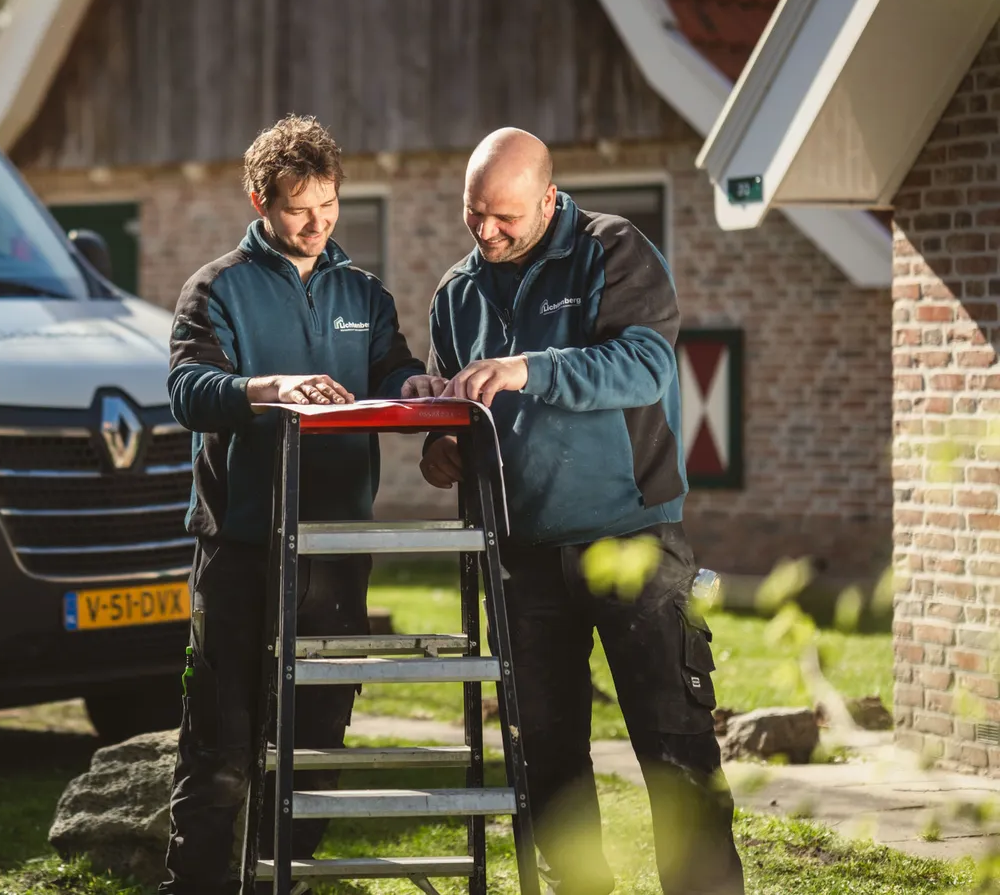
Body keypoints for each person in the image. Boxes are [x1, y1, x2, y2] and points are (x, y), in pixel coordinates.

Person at [410, 127, 743, 895]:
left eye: (506, 217)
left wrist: (529, 367)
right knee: (547, 759)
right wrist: (441, 450)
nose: (487, 232)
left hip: (634, 540)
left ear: (548, 199)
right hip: (523, 558)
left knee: (675, 749)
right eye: (474, 214)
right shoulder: (457, 294)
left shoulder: (613, 250)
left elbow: (646, 364)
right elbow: (454, 412)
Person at [162, 114, 425, 895]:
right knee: (222, 742)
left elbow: (395, 369)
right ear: (259, 201)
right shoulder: (216, 288)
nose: (315, 225)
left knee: (317, 739)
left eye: (329, 206)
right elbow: (187, 391)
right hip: (240, 548)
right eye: (296, 208)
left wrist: (413, 384)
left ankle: (288, 882)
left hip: (335, 552)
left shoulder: (364, 294)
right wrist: (265, 388)